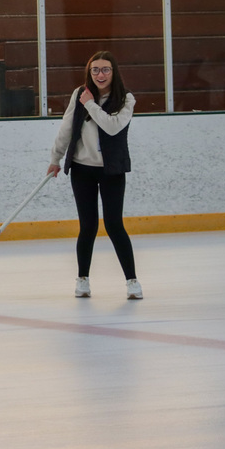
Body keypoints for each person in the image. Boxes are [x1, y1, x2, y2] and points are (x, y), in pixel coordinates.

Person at [47, 50, 142, 300]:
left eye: (106, 69)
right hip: (82, 170)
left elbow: (112, 127)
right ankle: (83, 279)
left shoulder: (126, 99)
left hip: (112, 170)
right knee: (87, 226)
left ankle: (132, 281)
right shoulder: (79, 94)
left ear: (114, 72)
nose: (100, 74)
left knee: (113, 225)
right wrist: (55, 158)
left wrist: (90, 104)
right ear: (90, 72)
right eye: (95, 70)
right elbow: (66, 127)